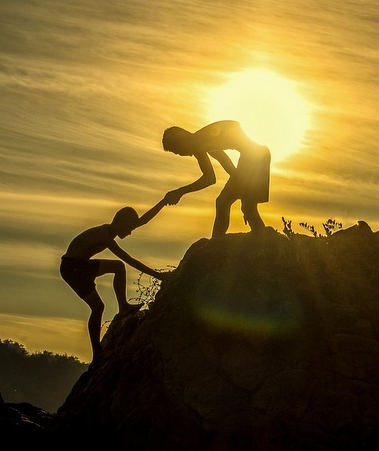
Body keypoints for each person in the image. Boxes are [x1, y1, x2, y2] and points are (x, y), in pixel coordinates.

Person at [60, 199, 167, 362]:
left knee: (118, 267)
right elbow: (129, 260)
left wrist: (164, 202)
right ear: (122, 223)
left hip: (80, 265)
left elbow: (143, 221)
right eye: (129, 229)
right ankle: (97, 354)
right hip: (73, 268)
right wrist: (159, 275)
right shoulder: (104, 236)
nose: (130, 233)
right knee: (98, 307)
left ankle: (123, 306)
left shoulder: (111, 231)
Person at [162, 119, 271, 238]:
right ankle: (260, 239)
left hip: (254, 158)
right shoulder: (203, 139)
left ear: (180, 142)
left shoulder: (197, 144)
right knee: (244, 207)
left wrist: (180, 192)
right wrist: (242, 191)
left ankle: (216, 241)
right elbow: (227, 165)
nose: (181, 154)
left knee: (226, 203)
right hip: (257, 156)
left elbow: (209, 178)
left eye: (177, 151)